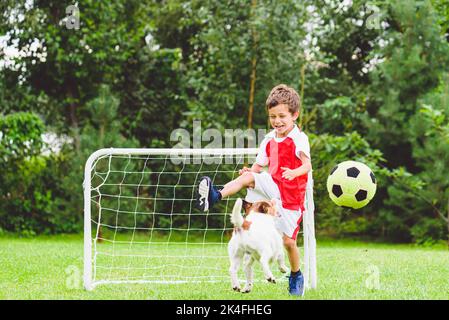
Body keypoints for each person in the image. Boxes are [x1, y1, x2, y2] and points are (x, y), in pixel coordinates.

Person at [196, 84, 312, 296]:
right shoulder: (269, 139)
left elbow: (307, 165)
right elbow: (260, 165)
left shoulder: (299, 138)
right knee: (247, 177)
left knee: (288, 242)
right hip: (273, 186)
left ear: (294, 115)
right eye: (272, 117)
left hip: (291, 197)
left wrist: (295, 173)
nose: (277, 121)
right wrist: (251, 171)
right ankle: (215, 195)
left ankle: (296, 275)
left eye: (282, 116)